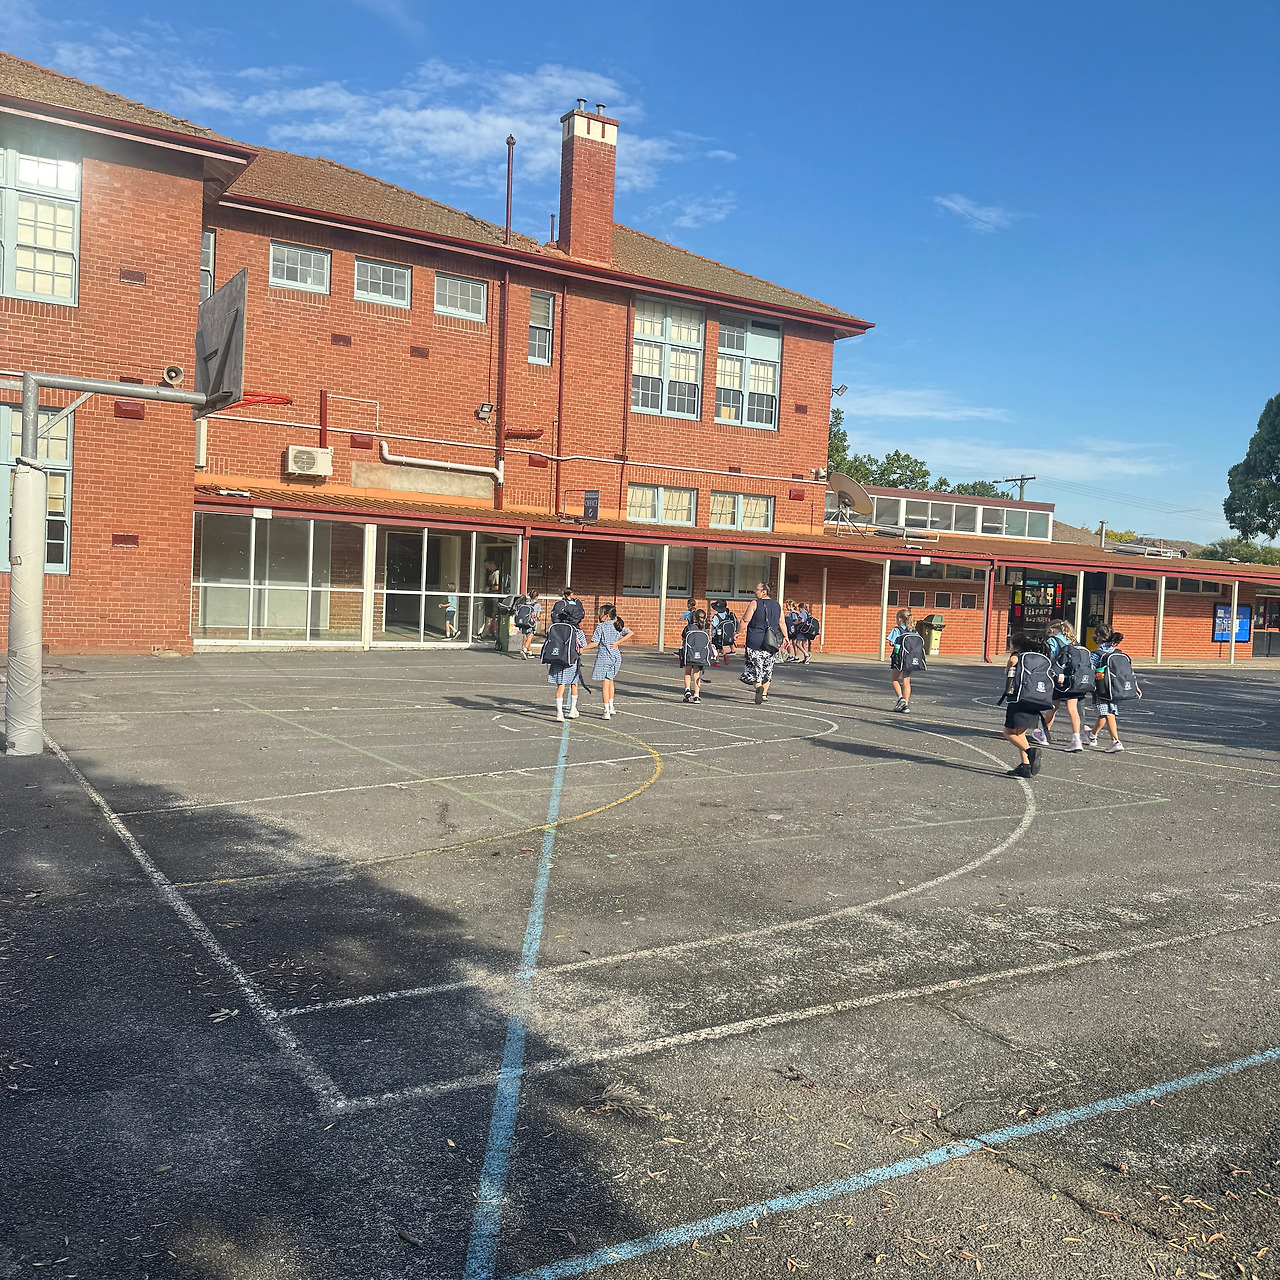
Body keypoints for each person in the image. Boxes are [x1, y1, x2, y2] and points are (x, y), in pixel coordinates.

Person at [1002, 631, 1053, 778]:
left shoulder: (1017, 657)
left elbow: (1010, 666)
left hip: (1019, 700)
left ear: (1016, 646)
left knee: (1008, 733)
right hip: (1036, 699)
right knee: (1020, 733)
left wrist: (1009, 665)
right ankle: (1025, 765)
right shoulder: (1039, 658)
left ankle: (1030, 751)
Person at [1085, 626, 1141, 752]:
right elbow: (1129, 672)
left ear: (1097, 637)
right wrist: (1135, 686)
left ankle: (1115, 741)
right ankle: (1092, 735)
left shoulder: (1096, 654)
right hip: (1116, 688)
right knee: (1104, 713)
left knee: (1107, 714)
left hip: (1102, 689)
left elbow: (1090, 670)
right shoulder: (1117, 652)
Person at [1036, 620, 1085, 751]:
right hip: (1072, 679)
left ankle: (1044, 734)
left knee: (1052, 707)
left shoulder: (1053, 641)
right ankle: (1076, 740)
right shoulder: (1072, 642)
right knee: (1073, 710)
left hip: (1059, 678)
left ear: (1052, 630)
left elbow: (1050, 658)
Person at [739, 581, 783, 705]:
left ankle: (758, 686)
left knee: (753, 667)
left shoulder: (755, 603)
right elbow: (782, 622)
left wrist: (737, 632)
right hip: (771, 641)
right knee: (767, 668)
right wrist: (786, 637)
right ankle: (764, 694)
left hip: (755, 640)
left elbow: (745, 620)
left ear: (764, 591)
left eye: (757, 589)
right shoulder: (777, 605)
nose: (755, 592)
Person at [544, 613, 593, 722]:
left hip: (557, 661)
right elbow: (581, 649)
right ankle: (572, 709)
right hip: (571, 662)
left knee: (560, 686)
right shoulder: (577, 631)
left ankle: (559, 713)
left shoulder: (555, 628)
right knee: (574, 684)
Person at [591, 604, 632, 719]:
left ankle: (606, 710)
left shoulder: (601, 627)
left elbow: (595, 643)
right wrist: (618, 643)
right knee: (610, 681)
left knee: (605, 683)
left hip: (605, 657)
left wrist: (583, 648)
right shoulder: (616, 625)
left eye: (601, 614)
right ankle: (611, 706)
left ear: (606, 616)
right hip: (616, 657)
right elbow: (630, 633)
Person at [680, 607, 712, 702]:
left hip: (689, 654)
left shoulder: (689, 627)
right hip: (700, 655)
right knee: (697, 674)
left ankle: (687, 689)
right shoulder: (705, 630)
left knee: (687, 672)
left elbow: (683, 638)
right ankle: (696, 695)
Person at [887, 608, 915, 712]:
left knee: (895, 679)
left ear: (899, 619)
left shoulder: (897, 630)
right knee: (906, 681)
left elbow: (891, 642)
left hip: (899, 658)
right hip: (910, 658)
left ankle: (901, 698)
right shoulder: (913, 630)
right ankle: (906, 705)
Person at [513, 593, 542, 660]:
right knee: (530, 637)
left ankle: (529, 652)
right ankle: (524, 649)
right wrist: (539, 618)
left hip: (524, 622)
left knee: (527, 636)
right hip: (531, 623)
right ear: (536, 597)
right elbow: (538, 616)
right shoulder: (537, 605)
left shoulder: (525, 604)